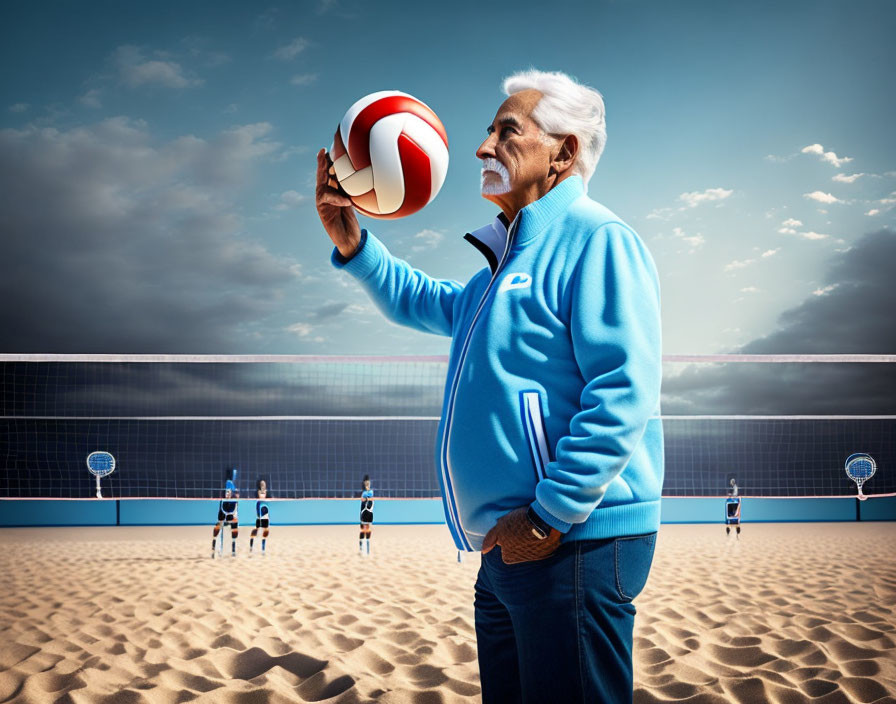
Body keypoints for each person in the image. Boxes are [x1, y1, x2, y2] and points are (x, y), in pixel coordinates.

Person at [316, 69, 663, 703]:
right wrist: (356, 245)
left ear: (563, 153)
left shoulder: (599, 240)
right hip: (510, 547)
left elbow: (623, 391)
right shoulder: (498, 272)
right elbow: (421, 300)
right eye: (488, 132)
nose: (481, 148)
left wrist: (549, 515)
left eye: (508, 132)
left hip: (570, 541)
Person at [212, 469, 240, 558]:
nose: (227, 493)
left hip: (231, 511)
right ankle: (215, 548)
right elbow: (222, 513)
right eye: (226, 492)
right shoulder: (223, 499)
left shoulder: (234, 499)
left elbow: (234, 511)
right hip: (224, 510)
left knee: (235, 526)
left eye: (228, 492)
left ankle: (233, 549)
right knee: (218, 526)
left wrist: (232, 519)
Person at [250, 478, 270, 554]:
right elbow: (261, 498)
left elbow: (266, 499)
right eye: (262, 484)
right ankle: (251, 547)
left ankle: (263, 549)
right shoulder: (259, 492)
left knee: (265, 531)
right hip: (260, 512)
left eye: (264, 483)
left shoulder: (266, 492)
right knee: (256, 530)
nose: (263, 485)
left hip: (265, 513)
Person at [359, 475, 374, 555]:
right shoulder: (364, 493)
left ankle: (367, 550)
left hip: (368, 513)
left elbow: (370, 499)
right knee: (362, 530)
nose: (367, 485)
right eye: (366, 484)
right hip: (364, 512)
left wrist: (367, 498)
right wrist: (366, 498)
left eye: (368, 484)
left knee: (368, 530)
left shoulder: (371, 492)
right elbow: (362, 499)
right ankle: (361, 549)